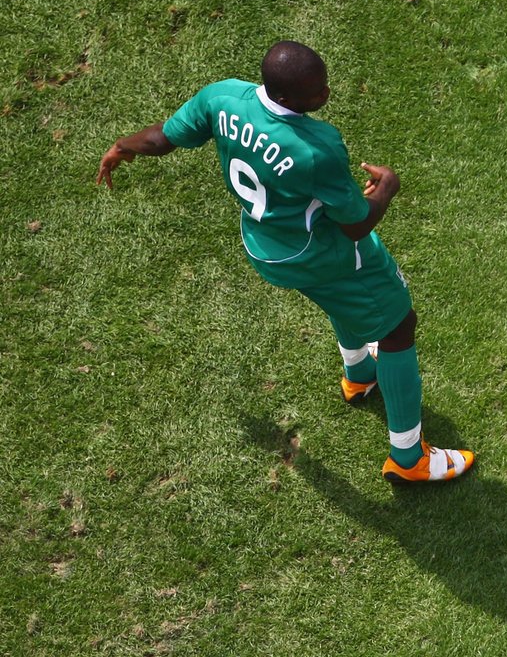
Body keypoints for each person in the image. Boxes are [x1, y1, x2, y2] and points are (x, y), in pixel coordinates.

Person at [97, 40, 473, 483]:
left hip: (266, 247)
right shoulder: (317, 148)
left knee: (339, 298)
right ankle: (410, 459)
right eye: (319, 91)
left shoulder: (222, 97)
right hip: (321, 252)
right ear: (291, 99)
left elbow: (162, 137)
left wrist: (123, 146)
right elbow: (355, 225)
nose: (327, 94)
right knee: (396, 326)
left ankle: (359, 375)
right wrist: (387, 188)